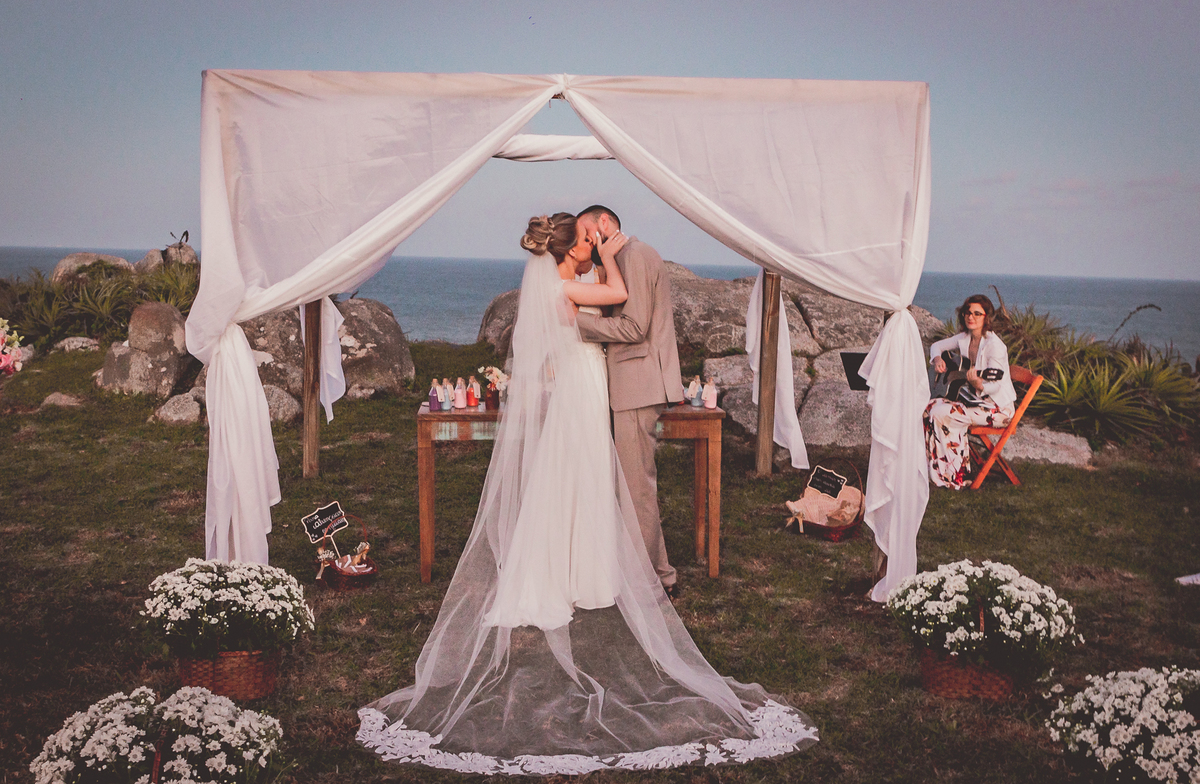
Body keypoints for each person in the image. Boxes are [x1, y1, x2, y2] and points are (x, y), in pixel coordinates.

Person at [357, 213, 817, 776]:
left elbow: (620, 306)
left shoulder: (560, 279)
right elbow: (618, 294)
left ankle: (584, 563)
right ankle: (580, 569)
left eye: (593, 235)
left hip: (589, 377)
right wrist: (605, 255)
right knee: (583, 469)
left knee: (586, 474)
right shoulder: (564, 282)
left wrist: (598, 256)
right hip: (582, 380)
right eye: (582, 238)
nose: (590, 242)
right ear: (566, 249)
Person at [573, 205, 685, 598]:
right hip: (628, 384)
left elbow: (635, 327)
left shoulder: (635, 255)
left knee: (638, 486)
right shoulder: (617, 260)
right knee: (632, 484)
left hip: (638, 384)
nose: (584, 240)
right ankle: (650, 571)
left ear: (604, 222)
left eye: (587, 230)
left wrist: (575, 323)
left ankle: (653, 583)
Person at [923, 294, 1017, 489]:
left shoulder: (994, 346)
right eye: (967, 312)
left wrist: (978, 383)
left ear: (986, 317)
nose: (970, 317)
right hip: (976, 402)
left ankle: (954, 475)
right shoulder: (966, 338)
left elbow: (996, 386)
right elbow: (937, 346)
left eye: (977, 313)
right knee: (927, 408)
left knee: (941, 413)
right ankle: (937, 469)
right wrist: (937, 360)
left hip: (998, 409)